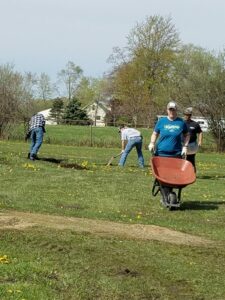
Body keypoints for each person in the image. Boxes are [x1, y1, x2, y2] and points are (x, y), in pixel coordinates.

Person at [148, 101, 190, 205]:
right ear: (167, 110)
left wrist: (185, 146)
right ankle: (166, 196)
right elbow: (155, 133)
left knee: (172, 176)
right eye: (170, 109)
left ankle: (168, 195)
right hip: (161, 153)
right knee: (162, 176)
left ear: (176, 110)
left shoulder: (181, 122)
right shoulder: (161, 121)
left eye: (173, 109)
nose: (172, 111)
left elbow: (187, 135)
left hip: (175, 154)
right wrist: (152, 143)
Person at [183, 107, 203, 172]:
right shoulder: (181, 123)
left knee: (191, 159)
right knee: (182, 159)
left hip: (192, 144)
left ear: (190, 115)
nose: (187, 116)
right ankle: (183, 172)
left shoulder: (195, 124)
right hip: (182, 144)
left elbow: (200, 132)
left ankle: (192, 173)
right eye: (186, 114)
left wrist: (200, 141)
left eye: (188, 114)